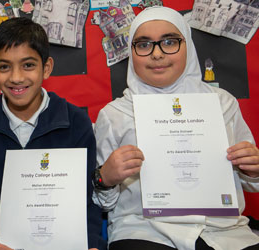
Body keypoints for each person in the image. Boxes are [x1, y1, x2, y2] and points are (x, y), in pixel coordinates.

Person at [92, 6, 259, 250]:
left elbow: (251, 183)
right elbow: (103, 203)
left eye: (169, 42)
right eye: (144, 44)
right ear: (132, 51)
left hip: (224, 233)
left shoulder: (222, 104)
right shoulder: (115, 115)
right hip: (145, 232)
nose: (157, 54)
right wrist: (105, 178)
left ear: (188, 45)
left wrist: (253, 169)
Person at [0, 17, 107, 250]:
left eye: (28, 65)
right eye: (5, 66)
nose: (16, 77)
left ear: (46, 68)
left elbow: (86, 199)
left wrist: (90, 243)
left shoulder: (76, 122)